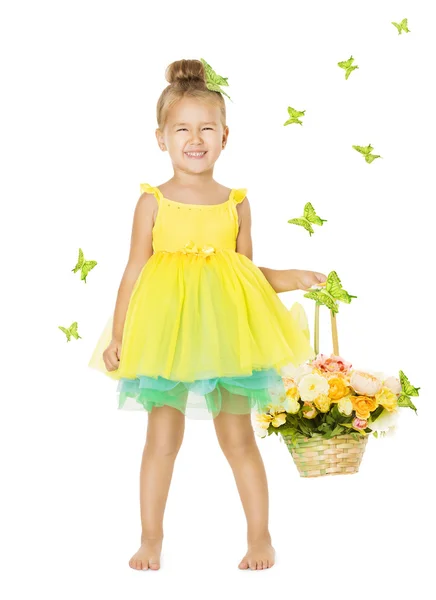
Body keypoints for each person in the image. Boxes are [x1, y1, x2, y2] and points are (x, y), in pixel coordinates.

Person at [88, 58, 327, 571]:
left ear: (224, 136)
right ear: (161, 138)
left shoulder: (235, 203)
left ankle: (260, 537)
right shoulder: (152, 202)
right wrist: (121, 334)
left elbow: (247, 275)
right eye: (182, 130)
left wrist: (293, 276)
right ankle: (151, 538)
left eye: (206, 129)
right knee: (162, 437)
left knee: (238, 438)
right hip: (165, 337)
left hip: (227, 338)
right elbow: (133, 271)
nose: (195, 140)